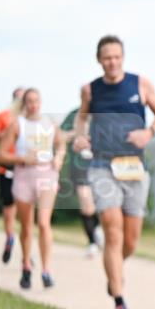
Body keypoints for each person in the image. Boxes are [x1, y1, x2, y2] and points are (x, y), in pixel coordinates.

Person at [73, 35, 155, 309]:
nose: (112, 62)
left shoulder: (141, 84)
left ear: (122, 57)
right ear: (99, 60)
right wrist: (79, 137)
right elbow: (81, 118)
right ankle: (119, 300)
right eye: (106, 57)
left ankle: (114, 273)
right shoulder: (90, 90)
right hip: (102, 165)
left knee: (130, 241)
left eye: (116, 57)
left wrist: (149, 133)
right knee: (112, 232)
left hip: (134, 168)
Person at [0, 88, 65, 288]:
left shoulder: (50, 124)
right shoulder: (18, 125)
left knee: (43, 223)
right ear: (24, 104)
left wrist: (59, 157)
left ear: (41, 102)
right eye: (29, 101)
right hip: (24, 175)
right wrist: (23, 158)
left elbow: (61, 144)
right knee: (27, 226)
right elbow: (1, 155)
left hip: (47, 176)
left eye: (36, 101)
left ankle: (46, 270)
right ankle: (26, 265)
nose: (33, 105)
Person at [60, 106, 103, 257]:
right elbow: (61, 137)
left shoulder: (103, 111)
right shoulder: (73, 115)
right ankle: (92, 242)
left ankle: (98, 228)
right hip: (80, 165)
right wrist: (78, 133)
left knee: (102, 202)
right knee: (85, 200)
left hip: (101, 165)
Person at [0, 87, 23, 264]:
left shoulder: (30, 120)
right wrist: (6, 133)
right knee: (9, 205)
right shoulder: (4, 116)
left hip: (26, 166)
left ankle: (24, 247)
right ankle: (10, 237)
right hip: (7, 166)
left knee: (25, 208)